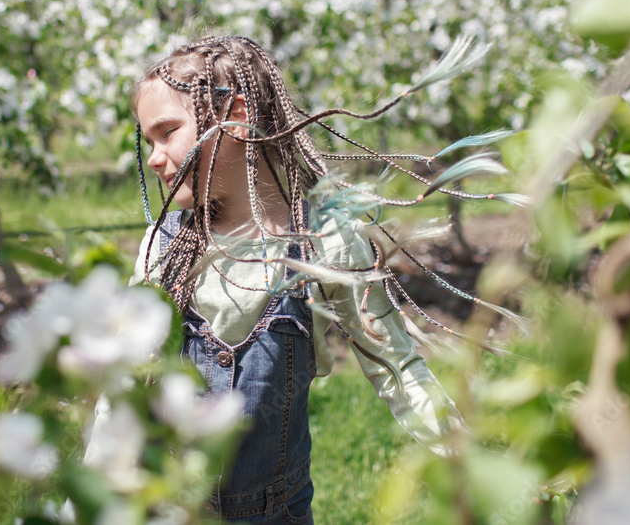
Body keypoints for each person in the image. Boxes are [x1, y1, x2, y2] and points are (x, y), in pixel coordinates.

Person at [127, 35, 466, 524]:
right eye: (148, 141)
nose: (155, 157)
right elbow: (126, 387)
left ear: (236, 116)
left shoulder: (323, 242)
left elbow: (398, 368)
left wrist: (465, 460)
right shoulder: (164, 250)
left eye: (167, 132)